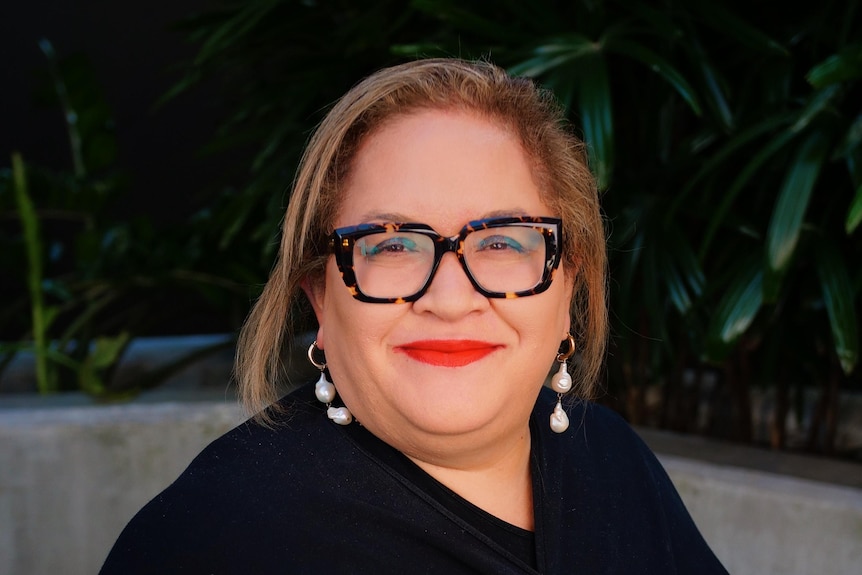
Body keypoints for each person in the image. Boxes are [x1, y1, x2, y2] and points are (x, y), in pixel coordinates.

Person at [100, 58, 728, 574]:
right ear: (321, 296)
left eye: (503, 241)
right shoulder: (211, 541)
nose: (451, 300)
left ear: (567, 286)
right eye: (394, 245)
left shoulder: (613, 464)